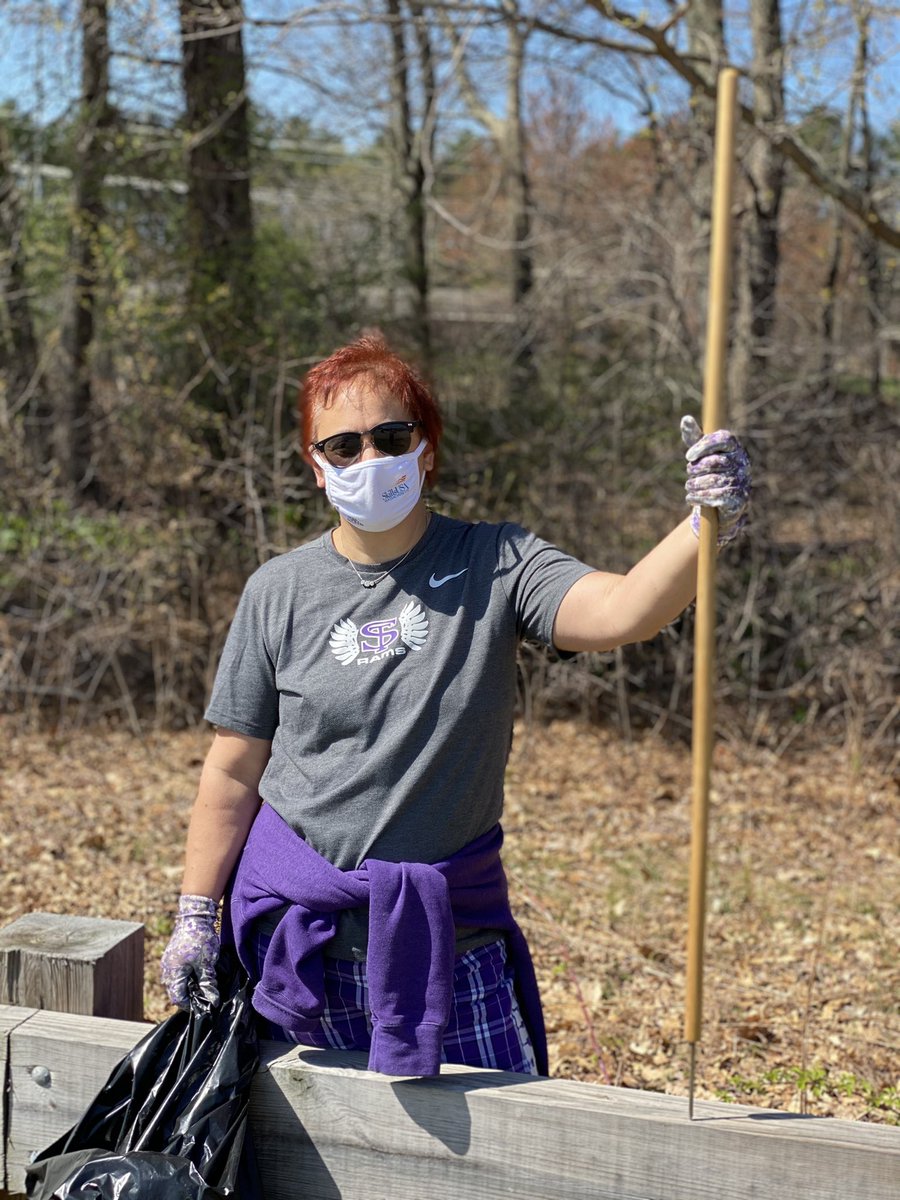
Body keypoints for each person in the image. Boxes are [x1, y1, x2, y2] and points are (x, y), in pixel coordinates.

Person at [161, 333, 750, 1078]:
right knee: (298, 1148)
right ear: (316, 466)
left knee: (500, 1146)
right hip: (296, 949)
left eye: (391, 437)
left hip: (451, 946)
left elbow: (624, 610)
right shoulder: (277, 590)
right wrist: (196, 915)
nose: (369, 459)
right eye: (343, 446)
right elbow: (233, 770)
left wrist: (702, 526)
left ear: (426, 450)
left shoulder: (496, 562)